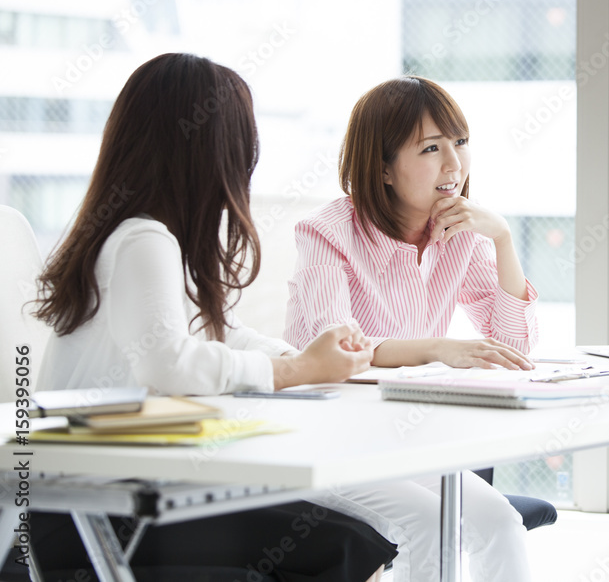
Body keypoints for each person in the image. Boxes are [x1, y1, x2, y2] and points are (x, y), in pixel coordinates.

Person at [31, 53, 397, 582]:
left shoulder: (145, 238)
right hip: (85, 512)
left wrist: (302, 357)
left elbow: (220, 335)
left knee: (351, 539)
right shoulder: (143, 240)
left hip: (112, 495)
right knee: (342, 545)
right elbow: (169, 365)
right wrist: (297, 372)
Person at [283, 76, 538, 581]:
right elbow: (332, 347)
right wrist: (438, 348)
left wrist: (503, 239)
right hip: (328, 443)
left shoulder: (458, 232)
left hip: (407, 442)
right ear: (383, 168)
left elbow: (514, 347)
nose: (454, 164)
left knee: (502, 525)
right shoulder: (327, 232)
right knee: (430, 526)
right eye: (431, 148)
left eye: (460, 143)